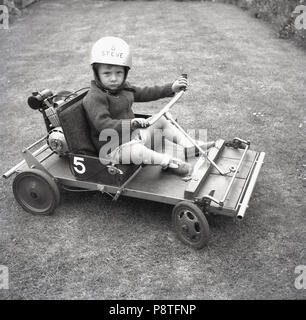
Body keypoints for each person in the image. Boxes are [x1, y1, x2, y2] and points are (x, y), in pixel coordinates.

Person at [83, 36, 207, 176]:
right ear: (97, 74)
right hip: (113, 149)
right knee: (138, 152)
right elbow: (103, 125)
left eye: (119, 73)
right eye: (107, 73)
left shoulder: (123, 87)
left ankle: (189, 145)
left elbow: (144, 93)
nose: (113, 78)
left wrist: (170, 88)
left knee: (160, 120)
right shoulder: (94, 97)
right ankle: (170, 162)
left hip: (134, 136)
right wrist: (132, 123)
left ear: (125, 73)